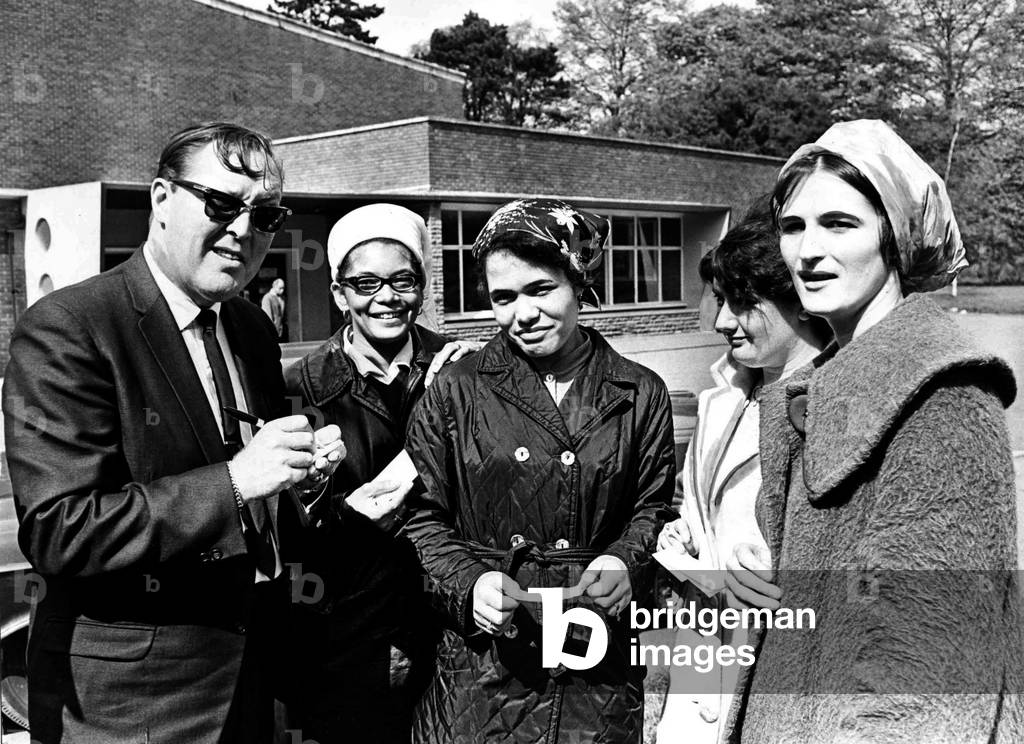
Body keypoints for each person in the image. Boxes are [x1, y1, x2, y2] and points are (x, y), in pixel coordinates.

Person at [1, 122, 343, 744]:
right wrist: (238, 480)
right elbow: (59, 529)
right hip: (129, 709)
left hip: (248, 684)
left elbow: (251, 510)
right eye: (220, 205)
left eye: (265, 215)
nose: (243, 229)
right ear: (160, 199)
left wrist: (301, 483)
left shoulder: (250, 328)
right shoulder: (69, 329)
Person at [729, 120, 1022, 742]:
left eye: (840, 224)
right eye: (792, 226)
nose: (807, 250)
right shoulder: (819, 382)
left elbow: (928, 674)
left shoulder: (942, 394)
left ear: (895, 236)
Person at [403, 198, 676, 743]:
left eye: (540, 289)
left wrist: (625, 561)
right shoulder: (457, 390)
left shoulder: (639, 392)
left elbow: (653, 508)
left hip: (595, 659)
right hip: (484, 669)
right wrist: (470, 583)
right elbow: (420, 517)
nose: (521, 315)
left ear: (578, 281)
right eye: (503, 298)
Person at [281, 203, 476, 743]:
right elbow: (291, 537)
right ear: (339, 293)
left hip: (454, 622)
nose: (386, 298)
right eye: (365, 283)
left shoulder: (465, 369)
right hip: (349, 636)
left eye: (402, 281)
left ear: (422, 288)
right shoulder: (300, 388)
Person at [654, 200, 830, 744]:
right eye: (720, 301)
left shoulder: (835, 408)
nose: (721, 322)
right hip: (702, 660)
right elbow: (697, 506)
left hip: (780, 671)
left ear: (799, 303)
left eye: (743, 303)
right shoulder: (722, 401)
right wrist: (684, 533)